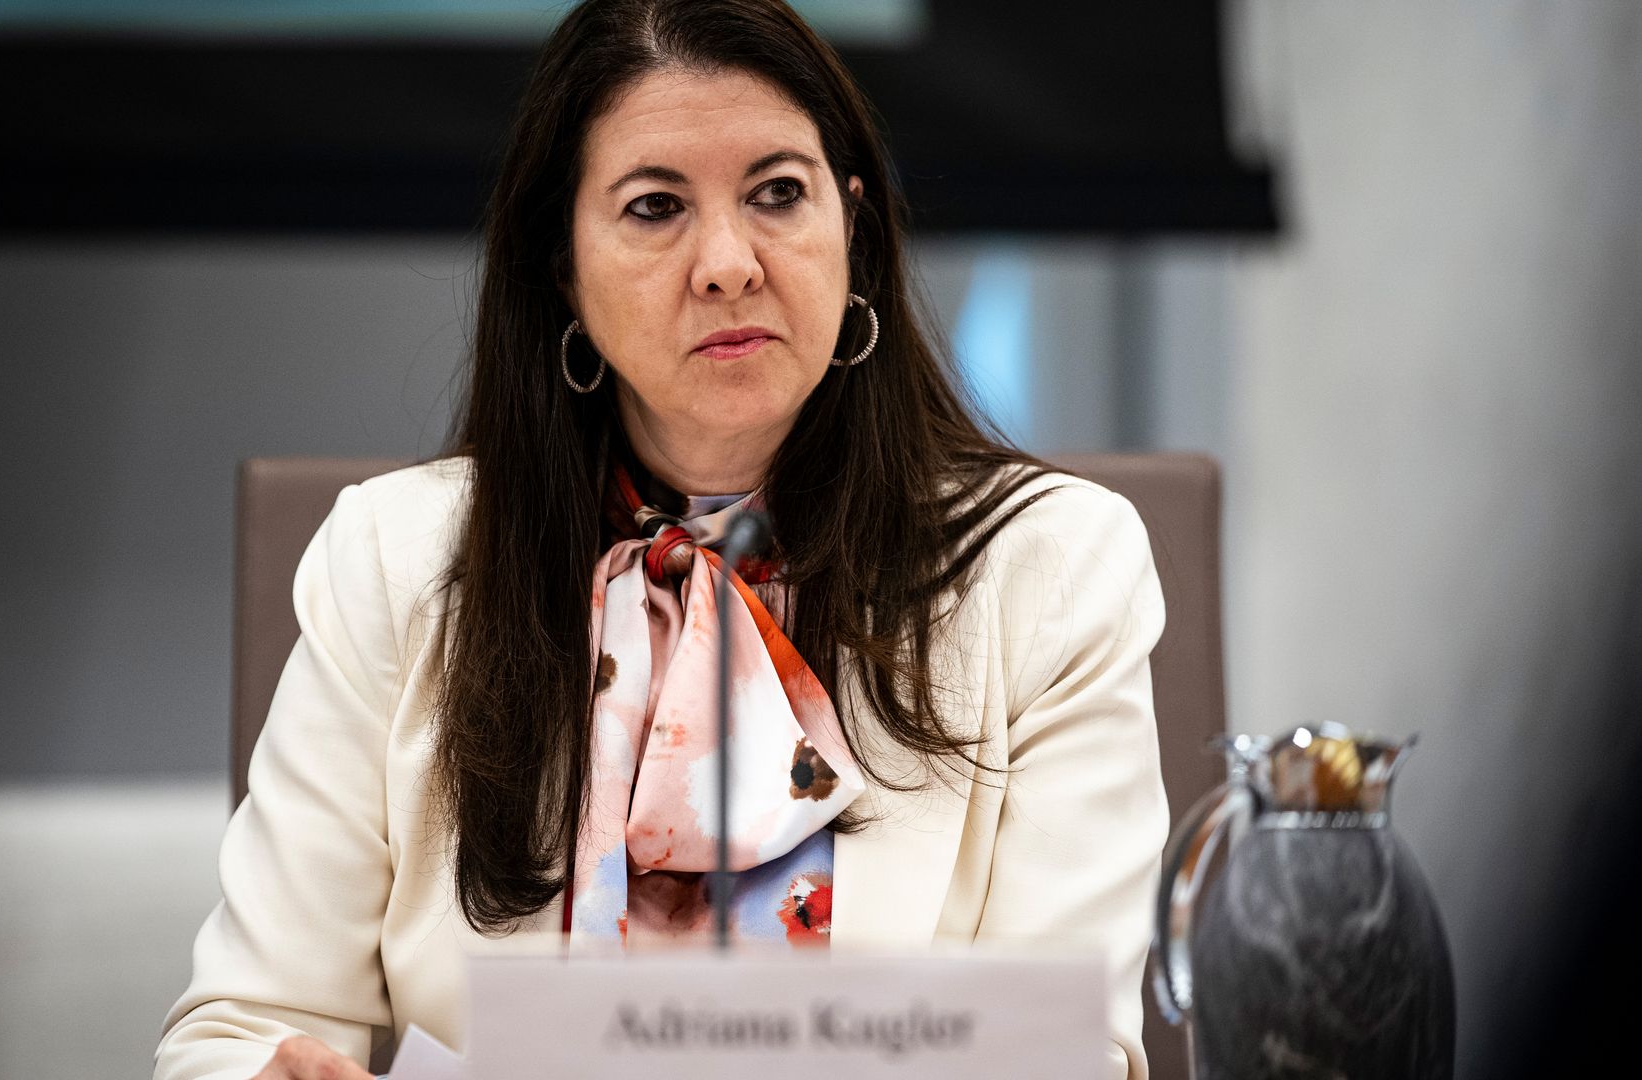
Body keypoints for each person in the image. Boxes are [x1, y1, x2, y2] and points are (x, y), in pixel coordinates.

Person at [155, 2, 1168, 1077]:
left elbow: (1062, 1055)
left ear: (854, 229)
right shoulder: (390, 560)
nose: (728, 263)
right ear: (564, 268)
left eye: (778, 193)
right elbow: (237, 1030)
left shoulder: (1056, 566)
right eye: (654, 207)